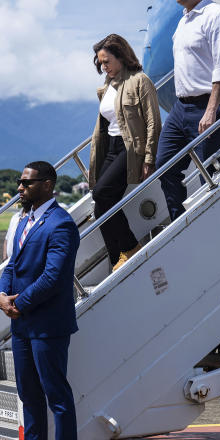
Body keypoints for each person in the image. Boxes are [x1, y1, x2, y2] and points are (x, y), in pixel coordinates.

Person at [0, 161, 80, 440]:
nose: (20, 188)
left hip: (47, 324)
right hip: (22, 323)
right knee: (28, 393)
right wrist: (1, 295)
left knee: (57, 396)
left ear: (47, 185)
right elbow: (11, 264)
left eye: (26, 183)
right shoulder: (26, 220)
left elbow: (54, 277)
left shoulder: (61, 224)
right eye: (20, 181)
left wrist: (19, 302)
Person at [156, 0, 220, 221]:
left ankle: (214, 224)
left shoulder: (217, 15)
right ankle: (180, 222)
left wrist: (212, 109)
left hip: (209, 105)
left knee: (210, 172)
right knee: (165, 166)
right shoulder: (184, 22)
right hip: (182, 108)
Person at [88, 34, 162, 271]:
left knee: (102, 193)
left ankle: (130, 247)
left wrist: (149, 158)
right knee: (100, 205)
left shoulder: (140, 81)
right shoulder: (108, 86)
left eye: (107, 61)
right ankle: (116, 259)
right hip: (111, 147)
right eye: (100, 63)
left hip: (131, 148)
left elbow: (153, 122)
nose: (103, 67)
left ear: (121, 56)